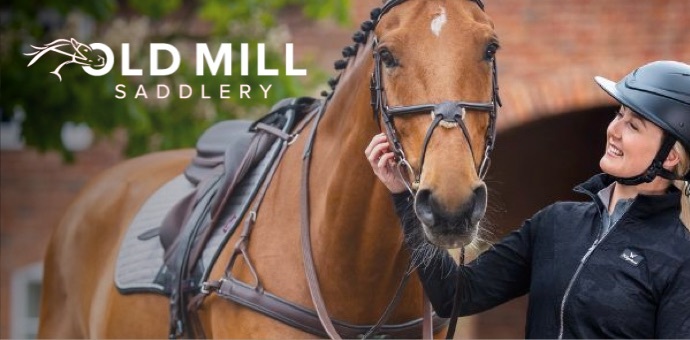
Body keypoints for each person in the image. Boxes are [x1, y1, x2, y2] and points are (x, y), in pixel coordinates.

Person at [365, 60, 690, 339]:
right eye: (619, 114)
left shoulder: (679, 260)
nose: (614, 130)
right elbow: (456, 296)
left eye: (633, 125)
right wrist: (404, 197)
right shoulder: (557, 222)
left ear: (670, 157)